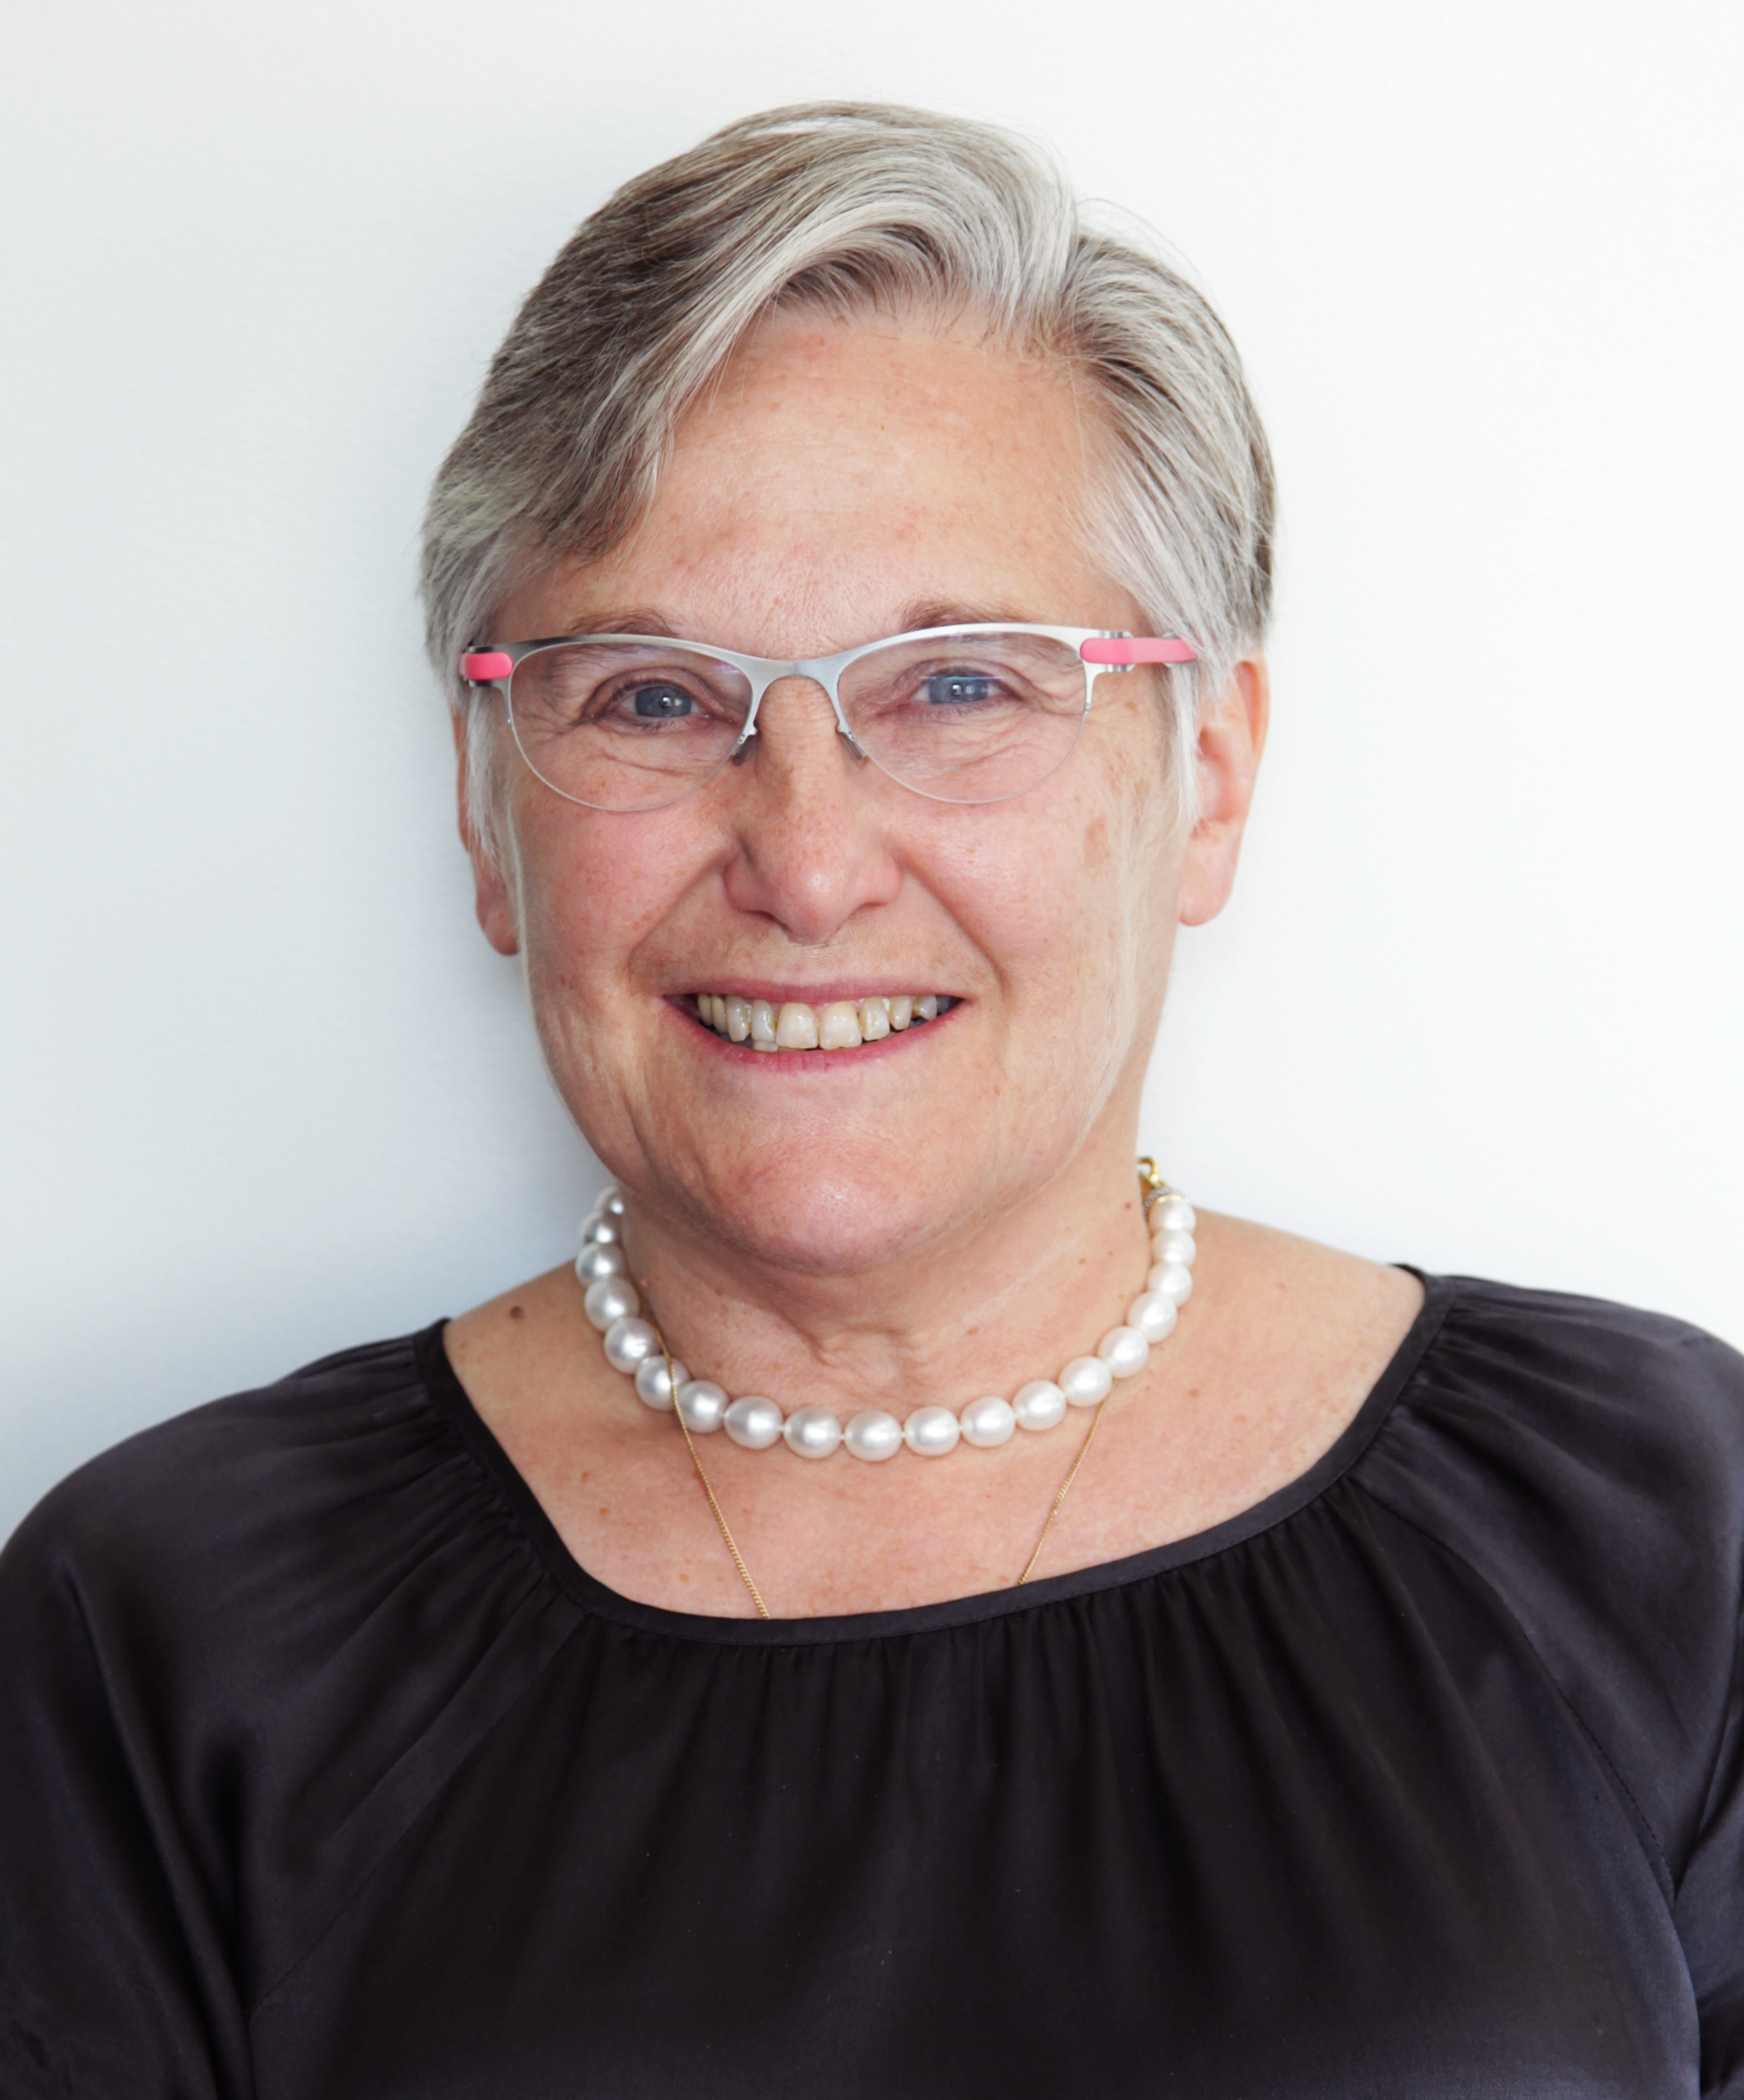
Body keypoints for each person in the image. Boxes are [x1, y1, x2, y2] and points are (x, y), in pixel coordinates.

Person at [1, 101, 1739, 2099]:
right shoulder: (166, 1635)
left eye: (963, 685)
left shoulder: (1660, 1529)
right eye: (654, 696)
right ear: (486, 814)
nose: (809, 866)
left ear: (1210, 776)